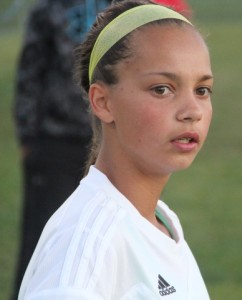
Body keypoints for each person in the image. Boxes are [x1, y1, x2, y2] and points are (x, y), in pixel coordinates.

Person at [18, 0, 213, 298]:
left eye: (202, 90)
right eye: (162, 88)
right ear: (102, 102)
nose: (192, 111)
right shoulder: (84, 249)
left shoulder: (161, 220)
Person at [12, 1, 110, 299]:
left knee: (105, 238)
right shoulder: (49, 9)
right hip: (55, 142)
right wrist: (29, 137)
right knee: (42, 240)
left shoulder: (123, 7)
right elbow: (29, 73)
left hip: (109, 143)